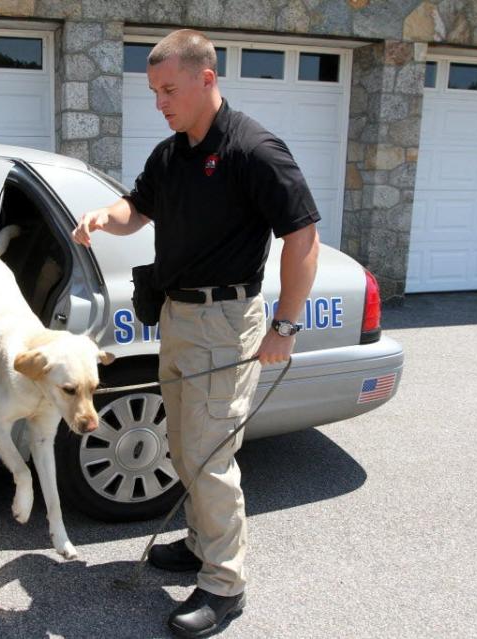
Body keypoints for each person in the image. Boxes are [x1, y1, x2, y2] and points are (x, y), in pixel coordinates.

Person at [72, 29, 320, 638]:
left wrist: (286, 323)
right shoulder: (172, 153)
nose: (160, 102)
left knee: (209, 457)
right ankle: (199, 542)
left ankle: (224, 585)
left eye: (168, 89)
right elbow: (140, 209)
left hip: (228, 323)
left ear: (206, 79)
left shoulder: (254, 150)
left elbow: (302, 236)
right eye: (154, 91)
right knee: (182, 446)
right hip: (179, 318)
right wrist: (109, 216)